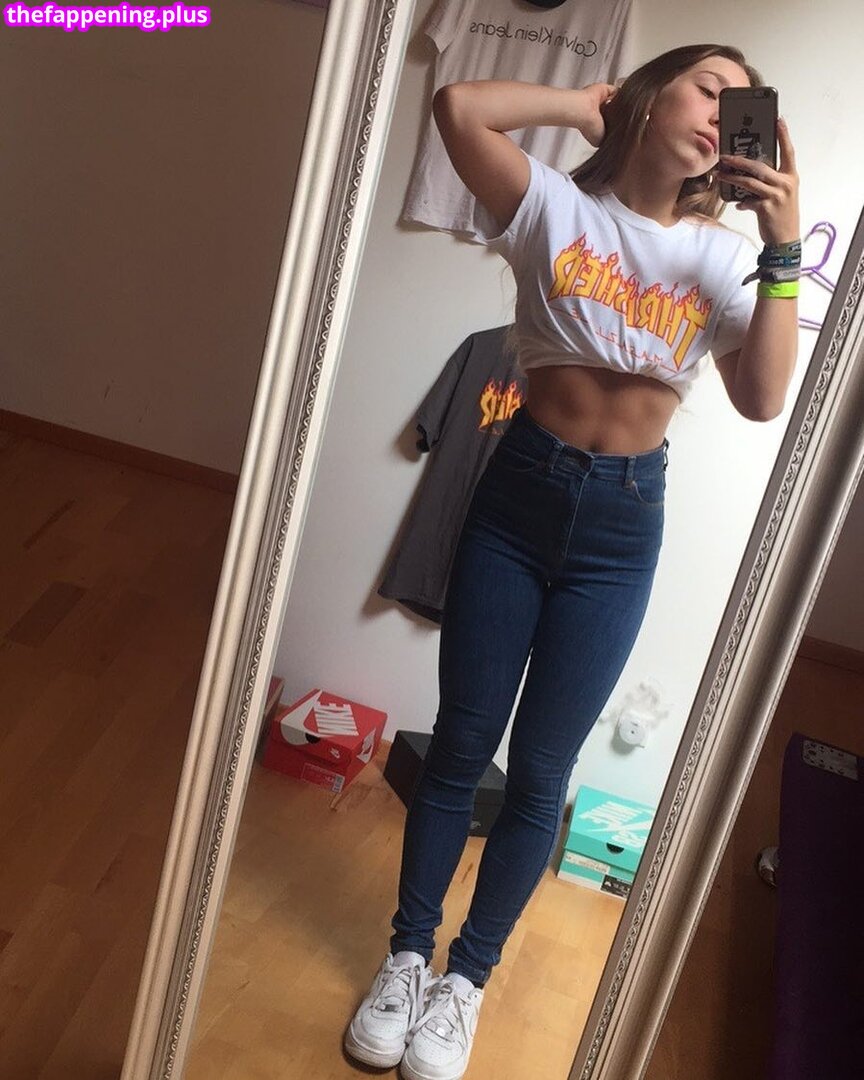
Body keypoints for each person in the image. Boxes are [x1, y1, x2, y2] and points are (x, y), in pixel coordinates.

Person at [344, 43, 800, 1080]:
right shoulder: (553, 208)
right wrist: (586, 105)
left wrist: (781, 249)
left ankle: (466, 980)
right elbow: (460, 106)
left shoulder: (723, 258)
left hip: (622, 528)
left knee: (543, 770)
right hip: (518, 496)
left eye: (742, 104)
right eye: (709, 88)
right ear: (650, 93)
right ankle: (407, 957)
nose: (723, 113)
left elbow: (765, 398)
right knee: (462, 743)